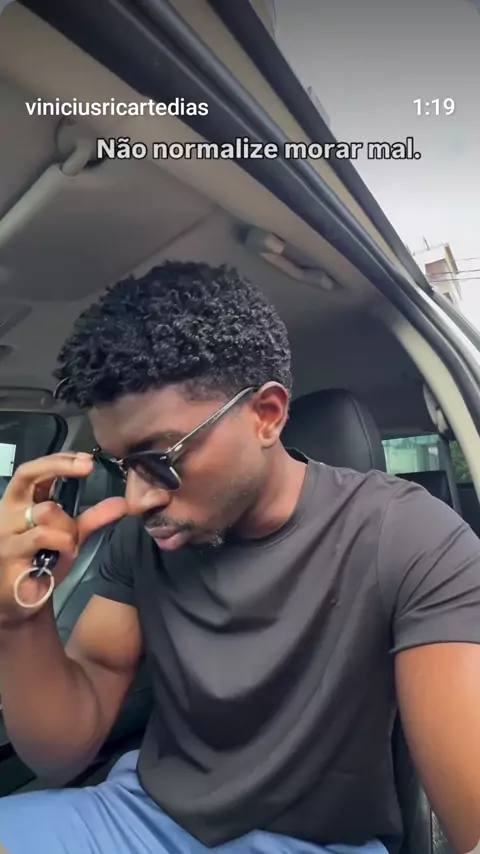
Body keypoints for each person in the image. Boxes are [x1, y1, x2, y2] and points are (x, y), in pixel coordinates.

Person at [0, 262, 480, 854]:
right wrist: (17, 617)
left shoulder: (405, 534)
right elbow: (61, 752)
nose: (137, 499)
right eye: (120, 466)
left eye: (161, 459)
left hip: (312, 844)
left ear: (267, 415)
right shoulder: (142, 535)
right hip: (136, 813)